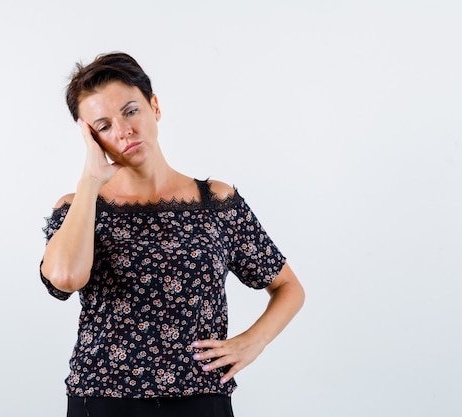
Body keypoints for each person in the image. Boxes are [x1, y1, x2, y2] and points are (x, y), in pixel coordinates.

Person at [40, 52, 305, 417]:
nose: (123, 131)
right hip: (103, 400)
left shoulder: (216, 201)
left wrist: (251, 343)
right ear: (90, 139)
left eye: (131, 111)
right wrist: (90, 180)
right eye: (102, 126)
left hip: (201, 398)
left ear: (155, 107)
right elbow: (66, 277)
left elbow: (289, 287)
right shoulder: (79, 208)